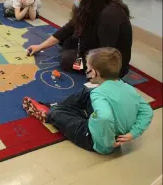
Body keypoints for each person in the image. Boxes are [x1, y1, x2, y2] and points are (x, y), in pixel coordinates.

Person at [23, 47, 153, 155]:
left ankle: (50, 113)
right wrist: (134, 132)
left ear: (95, 73)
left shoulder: (98, 94)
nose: (86, 71)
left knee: (57, 113)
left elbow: (105, 117)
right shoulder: (127, 87)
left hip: (94, 139)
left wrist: (108, 143)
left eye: (88, 69)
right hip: (104, 126)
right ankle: (60, 106)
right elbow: (147, 111)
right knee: (87, 92)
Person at [27, 0, 132, 78]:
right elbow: (67, 29)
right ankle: (79, 55)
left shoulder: (109, 15)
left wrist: (94, 70)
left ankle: (83, 62)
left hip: (113, 64)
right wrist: (40, 46)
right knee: (66, 40)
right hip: (97, 45)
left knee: (67, 60)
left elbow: (107, 53)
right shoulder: (90, 7)